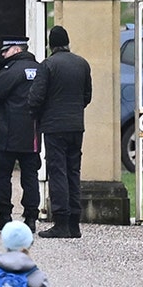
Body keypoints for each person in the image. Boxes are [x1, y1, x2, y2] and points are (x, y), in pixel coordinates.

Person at [27, 26, 91, 239]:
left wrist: (36, 112)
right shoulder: (82, 64)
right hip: (76, 126)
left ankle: (61, 221)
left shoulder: (48, 65)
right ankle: (75, 223)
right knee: (74, 172)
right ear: (67, 42)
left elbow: (36, 97)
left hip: (54, 127)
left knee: (58, 172)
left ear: (51, 45)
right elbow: (86, 96)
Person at [0, 35, 41, 233]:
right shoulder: (39, 69)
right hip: (32, 134)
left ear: (16, 50)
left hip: (8, 133)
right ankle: (31, 217)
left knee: (3, 174)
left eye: (5, 51)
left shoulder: (12, 71)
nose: (3, 55)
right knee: (30, 176)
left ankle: (4, 215)